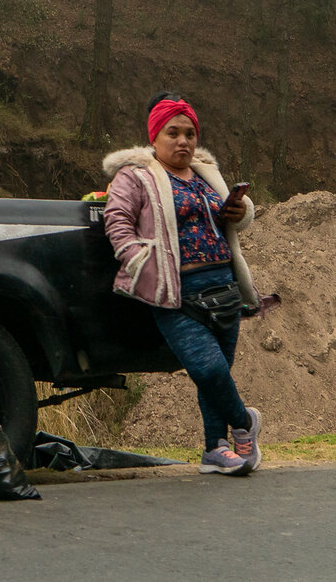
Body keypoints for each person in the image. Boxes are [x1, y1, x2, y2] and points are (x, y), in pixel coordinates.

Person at [101, 92, 264, 475]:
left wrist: (240, 211)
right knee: (207, 370)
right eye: (172, 133)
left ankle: (214, 449)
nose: (183, 141)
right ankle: (245, 423)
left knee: (217, 374)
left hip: (224, 285)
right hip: (174, 293)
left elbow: (234, 219)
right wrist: (139, 259)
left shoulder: (207, 172)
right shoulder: (136, 176)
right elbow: (116, 219)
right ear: (154, 137)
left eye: (189, 133)